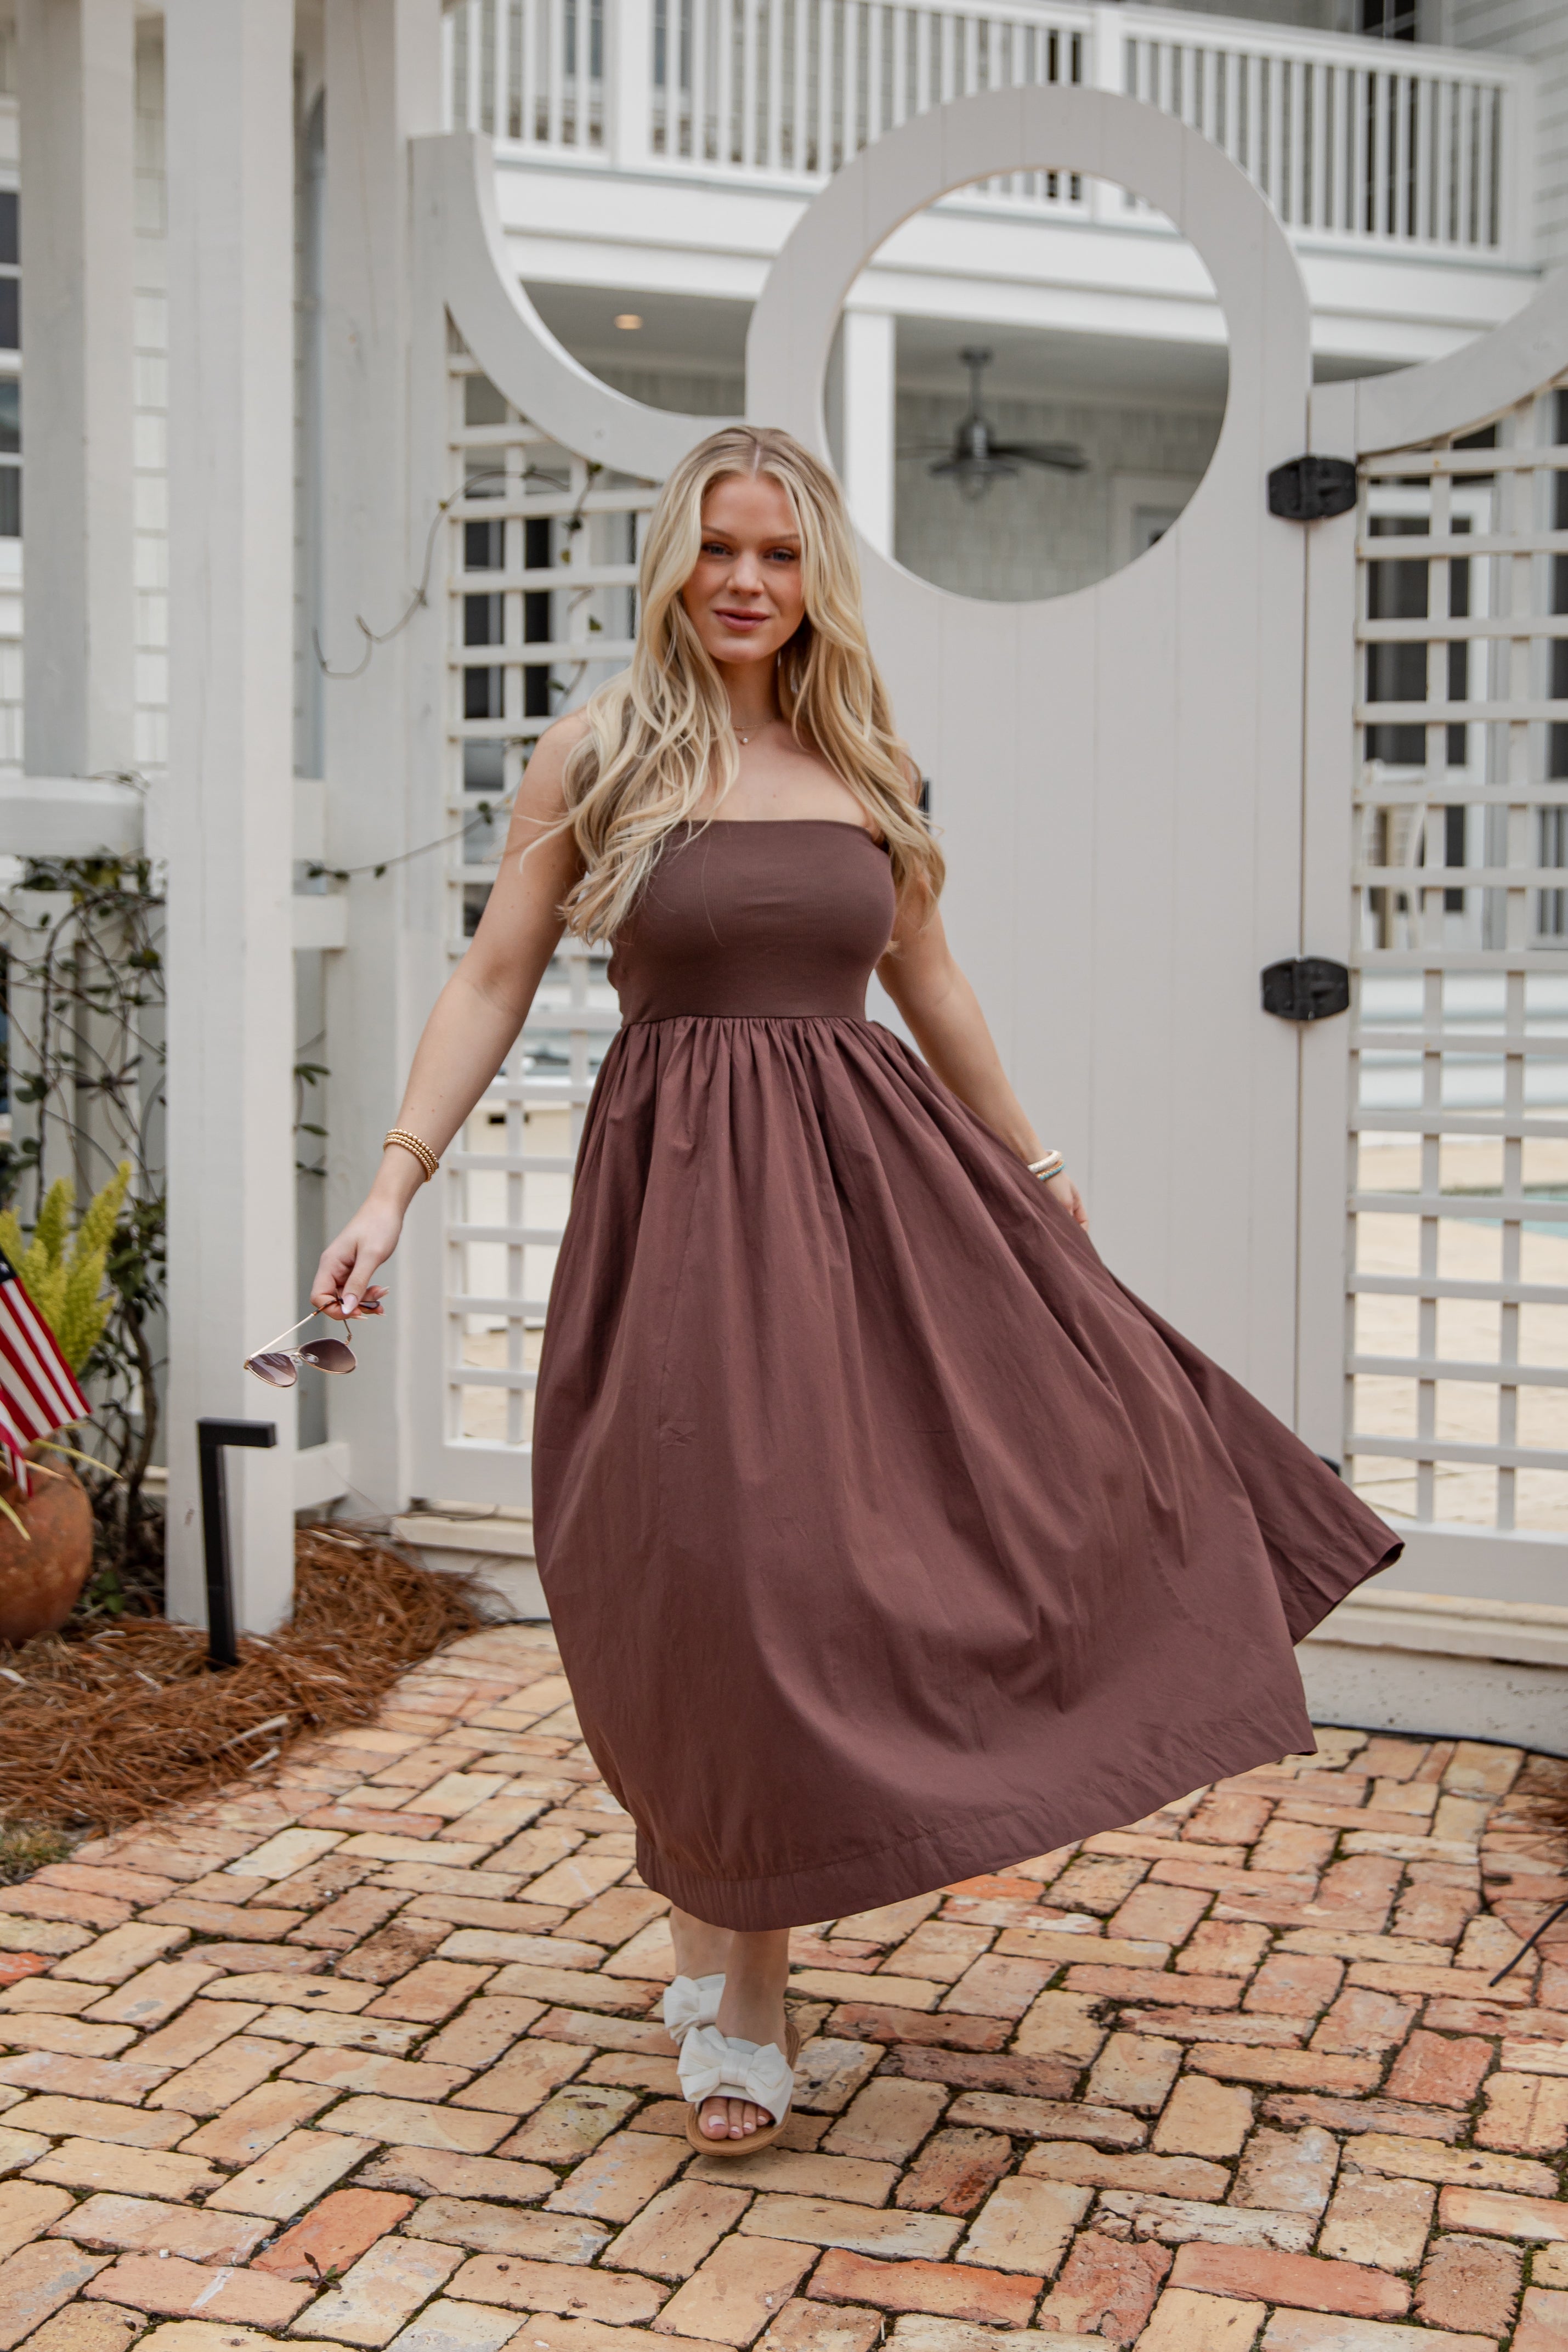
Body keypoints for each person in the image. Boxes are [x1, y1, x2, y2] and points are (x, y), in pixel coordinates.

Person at [313, 425, 1400, 2158]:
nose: (745, 581)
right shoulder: (593, 754)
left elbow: (934, 986)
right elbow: (492, 979)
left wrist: (1039, 1172)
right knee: (695, 1574)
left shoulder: (864, 757)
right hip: (676, 1211)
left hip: (872, 1201)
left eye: (779, 553)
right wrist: (390, 1184)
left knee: (863, 1548)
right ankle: (716, 1909)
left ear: (815, 576)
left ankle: (750, 1990)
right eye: (718, 549)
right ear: (674, 562)